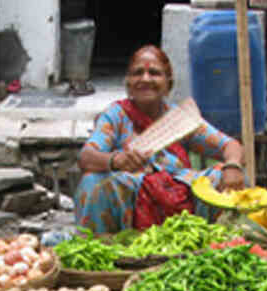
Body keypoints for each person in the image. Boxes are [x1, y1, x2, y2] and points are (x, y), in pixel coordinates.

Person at [75, 45, 246, 233]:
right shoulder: (115, 115)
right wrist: (116, 161)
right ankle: (104, 248)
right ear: (128, 84)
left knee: (227, 175)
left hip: (179, 196)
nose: (145, 79)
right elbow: (87, 156)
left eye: (154, 73)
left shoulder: (179, 119)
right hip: (132, 201)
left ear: (168, 84)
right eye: (137, 73)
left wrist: (232, 165)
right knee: (93, 182)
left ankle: (216, 243)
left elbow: (230, 145)